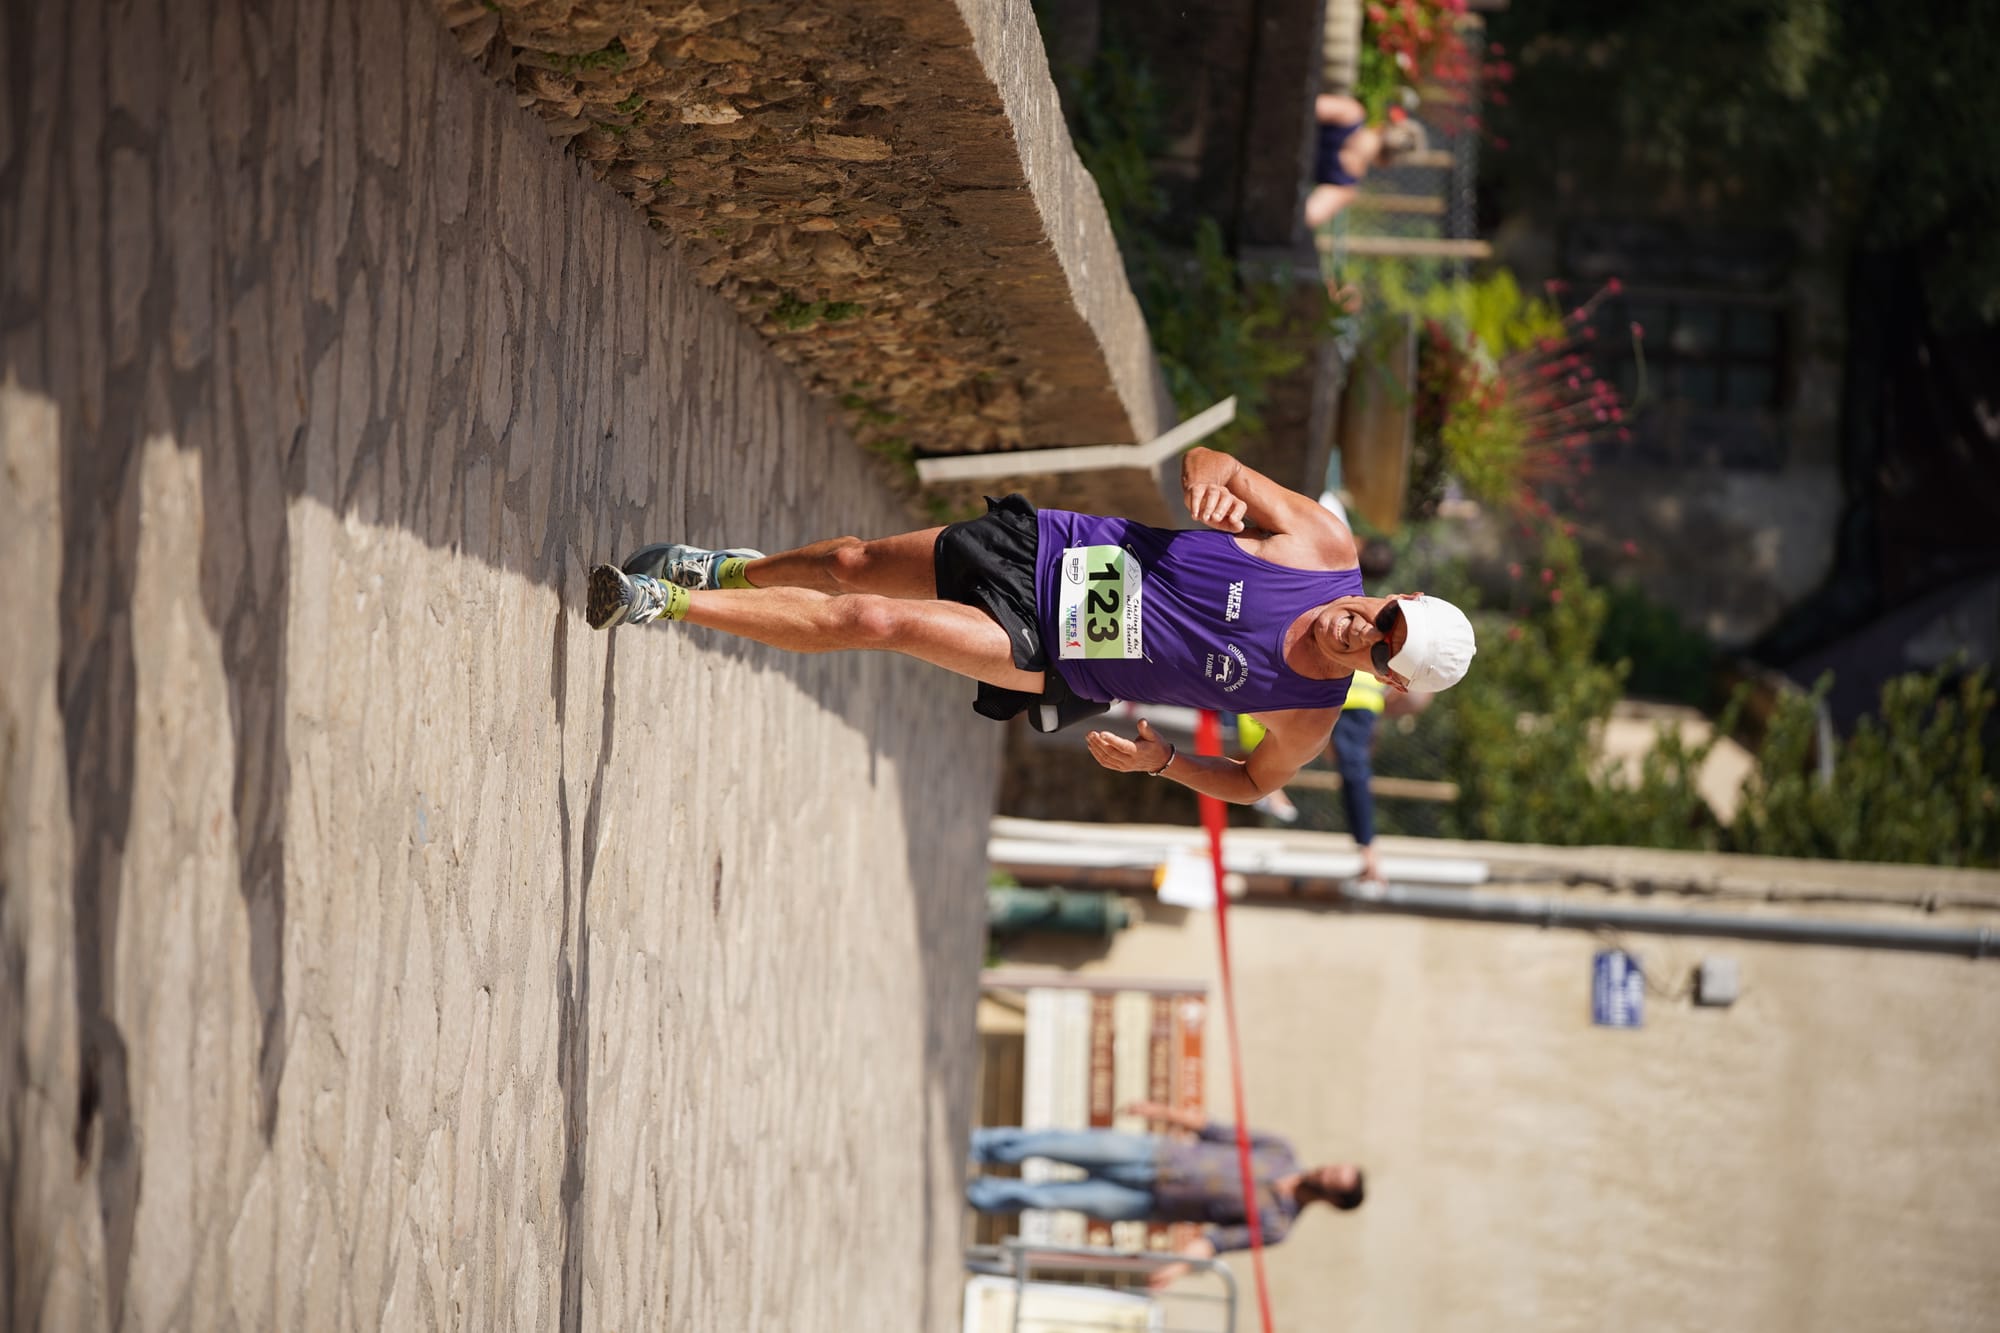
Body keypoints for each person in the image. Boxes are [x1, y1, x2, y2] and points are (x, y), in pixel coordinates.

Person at [586, 446, 1475, 803]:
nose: (1365, 628)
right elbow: (1215, 462)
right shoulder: (1322, 542)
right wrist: (1207, 483)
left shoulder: (1308, 715)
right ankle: (728, 570)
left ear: (1389, 679)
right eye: (1386, 615)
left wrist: (1164, 761)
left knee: (877, 618)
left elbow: (1253, 782)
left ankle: (664, 603)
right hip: (1048, 550)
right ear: (1401, 599)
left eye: (1382, 648)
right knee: (849, 564)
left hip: (1058, 655)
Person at [965, 1104, 1365, 1289]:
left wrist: (1175, 1270)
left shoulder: (1277, 1227)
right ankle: (979, 1146)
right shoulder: (1280, 1150)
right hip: (1152, 1154)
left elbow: (1215, 1242)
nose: (1323, 1171)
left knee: (1052, 1199)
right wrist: (1162, 1111)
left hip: (1149, 1203)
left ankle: (978, 1194)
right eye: (1331, 1167)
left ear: (1333, 1200)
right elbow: (1215, 1130)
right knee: (1058, 1142)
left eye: (1332, 1180)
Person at [1303, 94, 1428, 228]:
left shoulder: (1350, 113)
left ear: (1381, 126)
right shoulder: (1344, 186)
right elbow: (1307, 215)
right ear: (1384, 163)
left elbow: (1303, 104)